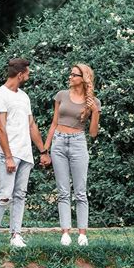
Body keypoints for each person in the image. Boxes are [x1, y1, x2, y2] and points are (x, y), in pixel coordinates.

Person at [0, 58, 50, 249]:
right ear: (20, 74)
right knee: (5, 195)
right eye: (27, 73)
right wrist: (9, 156)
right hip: (8, 155)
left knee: (20, 195)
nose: (28, 76)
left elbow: (31, 125)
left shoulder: (24, 96)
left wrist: (43, 151)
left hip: (25, 154)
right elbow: (1, 129)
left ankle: (16, 235)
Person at [43, 63, 101, 246]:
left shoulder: (93, 102)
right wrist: (45, 150)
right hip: (58, 142)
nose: (70, 77)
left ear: (83, 78)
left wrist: (94, 112)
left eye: (73, 75)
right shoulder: (61, 95)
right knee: (62, 192)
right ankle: (66, 233)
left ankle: (82, 234)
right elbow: (53, 123)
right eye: (70, 74)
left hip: (78, 143)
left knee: (80, 191)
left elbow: (92, 133)